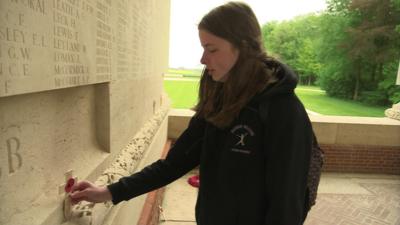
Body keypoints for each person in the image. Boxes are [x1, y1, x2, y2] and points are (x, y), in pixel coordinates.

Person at [70, 2, 314, 224]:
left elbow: (286, 207)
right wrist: (109, 192)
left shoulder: (283, 111)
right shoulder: (219, 101)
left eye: (212, 49)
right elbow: (173, 164)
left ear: (243, 47)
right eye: (203, 48)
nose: (202, 59)